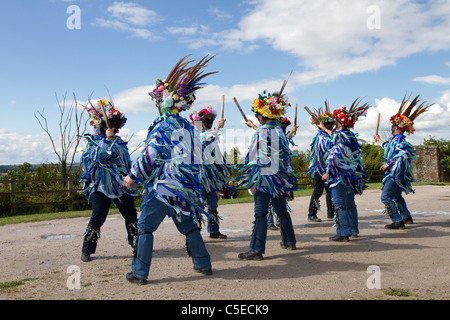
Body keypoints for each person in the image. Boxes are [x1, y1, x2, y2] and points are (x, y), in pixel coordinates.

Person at [124, 56, 216, 284]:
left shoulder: (163, 126)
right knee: (188, 226)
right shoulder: (188, 127)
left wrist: (133, 176)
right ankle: (203, 264)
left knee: (145, 226)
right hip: (185, 189)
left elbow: (151, 156)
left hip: (164, 189)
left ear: (163, 103)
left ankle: (139, 273)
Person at [237, 85, 297, 260]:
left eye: (257, 114)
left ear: (262, 115)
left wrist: (254, 181)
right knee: (282, 210)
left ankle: (256, 249)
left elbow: (258, 159)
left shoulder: (261, 133)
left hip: (264, 179)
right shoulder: (280, 132)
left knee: (261, 213)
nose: (257, 117)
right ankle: (289, 241)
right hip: (279, 180)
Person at [79, 99, 138, 262]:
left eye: (115, 125)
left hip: (121, 187)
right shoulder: (94, 142)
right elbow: (97, 158)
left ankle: (137, 245)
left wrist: (131, 178)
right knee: (97, 218)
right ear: (103, 126)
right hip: (102, 188)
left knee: (131, 217)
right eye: (110, 125)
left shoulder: (120, 143)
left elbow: (126, 163)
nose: (114, 128)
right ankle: (87, 250)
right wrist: (106, 141)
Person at [374, 94, 431, 229]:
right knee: (395, 196)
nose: (392, 127)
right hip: (396, 174)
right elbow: (388, 148)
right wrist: (379, 139)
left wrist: (389, 165)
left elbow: (401, 156)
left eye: (394, 126)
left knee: (386, 197)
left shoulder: (399, 142)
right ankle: (406, 216)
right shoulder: (397, 141)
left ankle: (397, 221)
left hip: (394, 174)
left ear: (398, 128)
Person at [324, 99, 370, 241]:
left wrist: (328, 172)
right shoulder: (350, 136)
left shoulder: (339, 136)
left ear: (339, 122)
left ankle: (343, 233)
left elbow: (335, 156)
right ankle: (353, 229)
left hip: (339, 175)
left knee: (340, 205)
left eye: (335, 121)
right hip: (351, 176)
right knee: (350, 204)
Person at [190, 106, 230, 239]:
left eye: (211, 120)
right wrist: (218, 128)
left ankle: (214, 231)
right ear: (200, 122)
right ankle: (195, 232)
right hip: (200, 176)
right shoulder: (197, 135)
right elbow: (208, 137)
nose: (209, 122)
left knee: (213, 204)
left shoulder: (211, 136)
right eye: (206, 120)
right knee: (198, 204)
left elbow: (217, 156)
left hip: (212, 176)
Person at [305, 103, 335, 222]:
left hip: (328, 168)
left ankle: (331, 212)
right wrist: (324, 170)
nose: (332, 127)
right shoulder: (322, 136)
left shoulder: (326, 134)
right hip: (320, 168)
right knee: (318, 191)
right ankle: (312, 213)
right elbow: (329, 145)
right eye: (330, 125)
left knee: (330, 190)